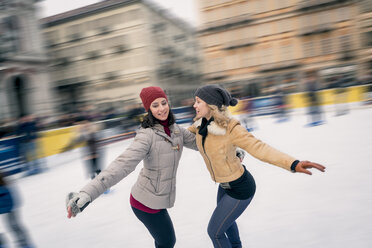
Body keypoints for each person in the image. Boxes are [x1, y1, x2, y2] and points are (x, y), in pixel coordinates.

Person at [188, 84, 326, 248]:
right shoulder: (200, 125)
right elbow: (181, 137)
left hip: (240, 188)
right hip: (224, 185)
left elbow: (260, 148)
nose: (194, 105)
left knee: (215, 231)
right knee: (227, 224)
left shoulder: (231, 128)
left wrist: (293, 163)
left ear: (211, 104)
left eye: (198, 101)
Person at [65, 86, 197, 248]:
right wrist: (88, 192)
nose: (162, 108)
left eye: (164, 103)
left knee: (165, 241)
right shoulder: (146, 135)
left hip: (158, 198)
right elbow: (122, 164)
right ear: (148, 109)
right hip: (145, 202)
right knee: (167, 241)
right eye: (155, 105)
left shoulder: (176, 130)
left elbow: (201, 143)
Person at [0, 173, 34, 248]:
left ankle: (25, 244)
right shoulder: (5, 185)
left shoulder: (4, 187)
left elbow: (7, 201)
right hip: (10, 207)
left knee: (14, 226)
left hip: (11, 208)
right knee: (14, 226)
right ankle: (24, 243)